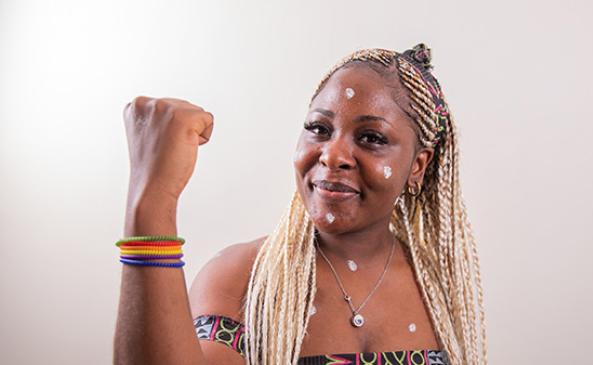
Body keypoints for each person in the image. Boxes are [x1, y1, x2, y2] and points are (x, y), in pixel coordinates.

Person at [113, 44, 488, 365]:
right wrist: (153, 200)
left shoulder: (437, 286)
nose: (333, 154)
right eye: (319, 129)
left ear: (417, 166)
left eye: (371, 137)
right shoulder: (243, 279)